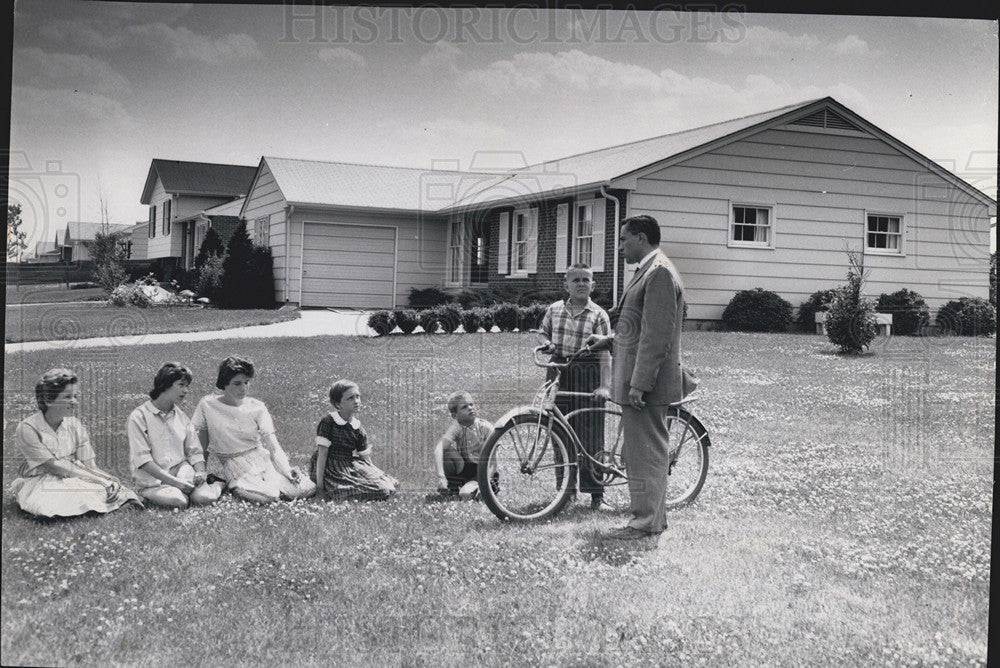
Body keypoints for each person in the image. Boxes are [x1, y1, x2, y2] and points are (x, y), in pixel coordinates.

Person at [586, 215, 696, 540]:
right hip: (640, 380)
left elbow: (656, 336)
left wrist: (639, 384)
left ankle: (646, 522)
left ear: (641, 238)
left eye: (623, 240)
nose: (619, 247)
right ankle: (647, 518)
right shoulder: (649, 270)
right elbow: (639, 328)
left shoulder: (659, 273)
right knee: (638, 453)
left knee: (646, 453)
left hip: (646, 385)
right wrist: (607, 341)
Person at [11, 368, 141, 518]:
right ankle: (97, 508)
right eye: (67, 397)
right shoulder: (28, 428)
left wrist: (108, 480)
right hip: (39, 480)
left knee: (112, 489)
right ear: (48, 399)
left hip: (73, 474)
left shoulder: (74, 424)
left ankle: (107, 504)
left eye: (75, 396)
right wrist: (99, 481)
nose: (74, 402)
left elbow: (90, 466)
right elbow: (54, 466)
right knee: (66, 495)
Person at [537, 263, 613, 510]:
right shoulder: (554, 309)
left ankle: (596, 495)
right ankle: (566, 492)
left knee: (590, 434)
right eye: (576, 280)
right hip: (558, 371)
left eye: (586, 280)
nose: (581, 284)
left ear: (594, 285)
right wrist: (547, 344)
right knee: (559, 431)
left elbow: (605, 353)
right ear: (566, 284)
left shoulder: (599, 314)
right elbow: (542, 333)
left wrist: (604, 386)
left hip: (588, 372)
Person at [191, 357, 315, 504]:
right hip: (233, 463)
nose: (243, 388)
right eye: (237, 383)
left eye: (246, 382)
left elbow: (273, 446)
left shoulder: (257, 407)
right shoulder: (207, 405)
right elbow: (201, 444)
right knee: (266, 498)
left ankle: (275, 483)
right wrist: (201, 472)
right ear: (224, 383)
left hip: (260, 458)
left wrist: (286, 470)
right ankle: (228, 484)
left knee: (306, 489)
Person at [127, 363, 224, 509]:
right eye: (181, 385)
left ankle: (217, 484)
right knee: (179, 501)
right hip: (152, 480)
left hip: (181, 471)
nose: (186, 391)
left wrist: (200, 471)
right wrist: (175, 483)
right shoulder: (139, 417)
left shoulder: (180, 416)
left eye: (187, 386)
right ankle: (150, 493)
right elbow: (143, 460)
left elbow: (194, 451)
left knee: (205, 498)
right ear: (165, 385)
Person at [310, 380, 398, 501]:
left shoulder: (358, 428)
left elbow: (366, 459)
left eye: (358, 397)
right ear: (337, 404)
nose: (356, 401)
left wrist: (380, 475)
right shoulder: (328, 422)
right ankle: (339, 491)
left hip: (350, 464)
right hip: (331, 468)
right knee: (345, 491)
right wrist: (320, 490)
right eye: (350, 398)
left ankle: (371, 486)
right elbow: (322, 454)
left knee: (386, 487)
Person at [434, 391, 494, 499]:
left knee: (465, 494)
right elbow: (439, 449)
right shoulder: (457, 427)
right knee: (446, 453)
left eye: (471, 404)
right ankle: (452, 487)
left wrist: (485, 483)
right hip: (466, 468)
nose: (470, 408)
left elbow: (493, 461)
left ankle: (481, 489)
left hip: (483, 471)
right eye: (464, 407)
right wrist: (441, 477)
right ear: (455, 415)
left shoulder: (486, 428)